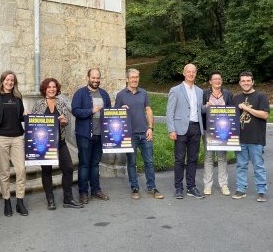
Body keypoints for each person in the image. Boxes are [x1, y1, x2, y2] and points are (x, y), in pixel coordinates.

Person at [31, 78, 83, 210]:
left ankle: (68, 198)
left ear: (57, 89)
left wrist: (64, 121)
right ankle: (50, 199)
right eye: (49, 87)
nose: (51, 89)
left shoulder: (61, 103)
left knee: (68, 168)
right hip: (44, 144)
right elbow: (33, 123)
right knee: (46, 171)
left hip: (60, 142)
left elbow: (66, 121)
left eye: (54, 87)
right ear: (44, 89)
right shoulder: (38, 104)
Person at [115, 68, 164, 200]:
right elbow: (115, 116)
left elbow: (148, 110)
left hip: (145, 133)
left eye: (137, 77)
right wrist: (120, 109)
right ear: (127, 79)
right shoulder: (120, 95)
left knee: (149, 161)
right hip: (129, 135)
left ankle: (152, 187)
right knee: (131, 163)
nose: (135, 80)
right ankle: (134, 188)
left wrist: (150, 128)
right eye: (132, 77)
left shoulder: (143, 93)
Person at [0, 71, 28, 216]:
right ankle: (7, 202)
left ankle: (20, 202)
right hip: (1, 138)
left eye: (12, 80)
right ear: (2, 81)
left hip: (17, 138)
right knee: (4, 172)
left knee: (21, 170)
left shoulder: (18, 97)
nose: (9, 82)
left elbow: (21, 117)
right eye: (7, 79)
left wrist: (26, 115)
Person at [71, 68, 111, 204]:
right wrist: (90, 110)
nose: (96, 80)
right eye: (93, 78)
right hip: (84, 135)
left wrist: (121, 109)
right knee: (84, 164)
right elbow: (75, 111)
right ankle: (83, 192)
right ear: (88, 77)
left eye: (98, 78)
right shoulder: (80, 93)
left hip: (100, 135)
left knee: (95, 164)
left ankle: (96, 190)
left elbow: (109, 113)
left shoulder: (104, 94)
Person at [166, 63, 204, 199]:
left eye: (193, 72)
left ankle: (191, 187)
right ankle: (178, 188)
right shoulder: (175, 90)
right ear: (184, 73)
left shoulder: (200, 91)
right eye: (189, 71)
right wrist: (171, 129)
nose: (191, 74)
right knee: (179, 160)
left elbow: (200, 110)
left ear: (196, 74)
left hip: (195, 128)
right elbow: (169, 111)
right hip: (180, 128)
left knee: (193, 159)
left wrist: (209, 107)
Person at [231, 71, 269, 202]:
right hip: (240, 139)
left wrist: (247, 109)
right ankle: (241, 189)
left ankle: (262, 191)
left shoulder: (261, 97)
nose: (245, 83)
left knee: (258, 166)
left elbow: (265, 115)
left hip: (256, 138)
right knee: (241, 166)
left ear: (252, 82)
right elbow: (229, 117)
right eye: (243, 81)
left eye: (248, 81)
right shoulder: (235, 98)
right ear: (240, 83)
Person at [201, 71, 233, 196]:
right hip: (208, 129)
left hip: (223, 130)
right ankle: (207, 185)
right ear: (210, 81)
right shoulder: (204, 94)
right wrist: (206, 106)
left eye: (219, 79)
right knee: (209, 157)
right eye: (214, 79)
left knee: (222, 157)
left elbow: (232, 112)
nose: (217, 81)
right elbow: (200, 110)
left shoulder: (227, 94)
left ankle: (223, 185)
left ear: (221, 81)